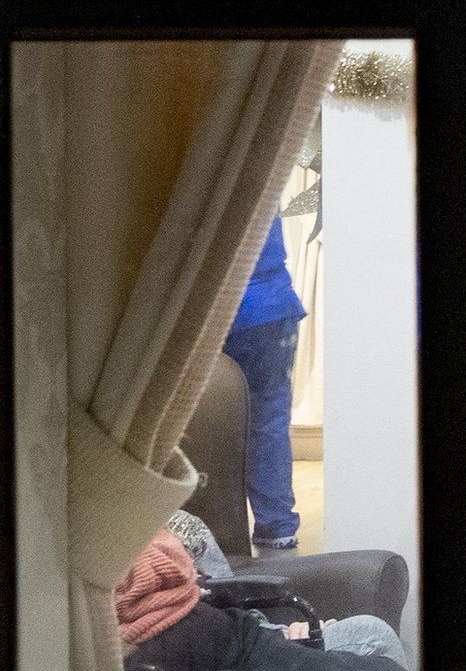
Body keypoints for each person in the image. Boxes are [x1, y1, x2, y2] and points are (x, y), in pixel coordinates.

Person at [117, 528, 404, 670]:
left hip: (234, 625)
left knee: (372, 632)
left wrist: (279, 629)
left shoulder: (176, 523)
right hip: (221, 642)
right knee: (376, 641)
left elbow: (219, 585)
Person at [223, 216, 305, 554]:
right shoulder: (259, 167)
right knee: (269, 420)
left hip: (223, 307)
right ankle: (277, 527)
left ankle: (219, 529)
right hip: (272, 307)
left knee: (212, 423)